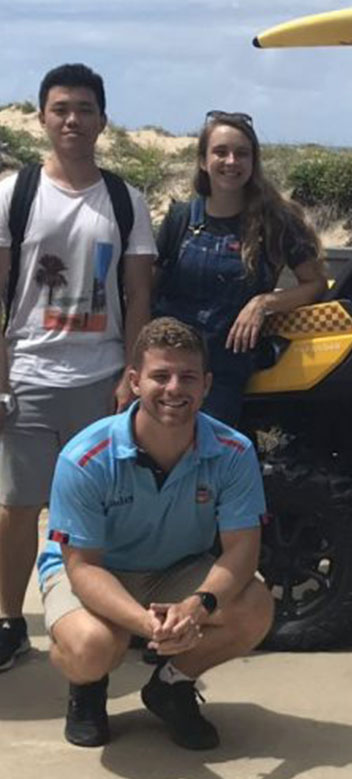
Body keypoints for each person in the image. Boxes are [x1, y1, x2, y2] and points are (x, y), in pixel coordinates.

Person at [37, 317, 273, 749]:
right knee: (94, 646)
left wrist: (197, 606)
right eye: (160, 375)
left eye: (187, 377)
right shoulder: (86, 457)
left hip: (175, 570)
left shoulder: (234, 452)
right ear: (134, 380)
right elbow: (83, 567)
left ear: (206, 384)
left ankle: (171, 684)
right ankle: (87, 689)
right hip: (97, 569)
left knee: (255, 606)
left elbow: (242, 551)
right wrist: (148, 624)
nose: (174, 389)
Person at [0, 63, 155, 673]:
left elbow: (139, 295)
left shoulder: (124, 199)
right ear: (42, 117)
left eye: (85, 109)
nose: (73, 119)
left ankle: (114, 616)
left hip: (102, 378)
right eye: (61, 108)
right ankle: (11, 621)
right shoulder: (14, 195)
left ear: (102, 120)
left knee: (108, 510)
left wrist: (132, 374)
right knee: (17, 509)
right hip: (29, 376)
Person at [153, 110, 326, 425]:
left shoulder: (276, 221)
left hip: (223, 378)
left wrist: (263, 303)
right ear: (204, 161)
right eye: (220, 152)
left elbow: (314, 285)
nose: (231, 161)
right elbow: (148, 289)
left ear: (253, 162)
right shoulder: (180, 219)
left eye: (241, 153)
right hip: (165, 372)